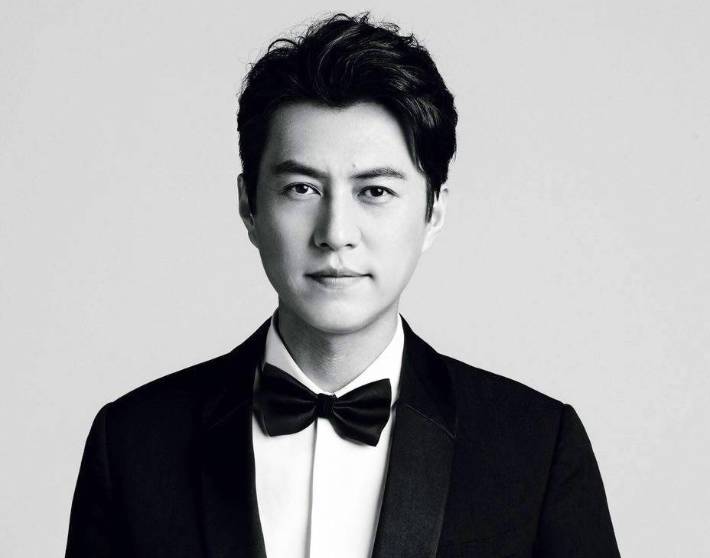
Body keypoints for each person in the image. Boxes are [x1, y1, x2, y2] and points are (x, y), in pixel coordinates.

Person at [65, 13, 620, 558]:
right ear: (248, 207)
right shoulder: (133, 444)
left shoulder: (536, 449)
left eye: (375, 191)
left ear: (433, 212)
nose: (335, 234)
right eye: (302, 189)